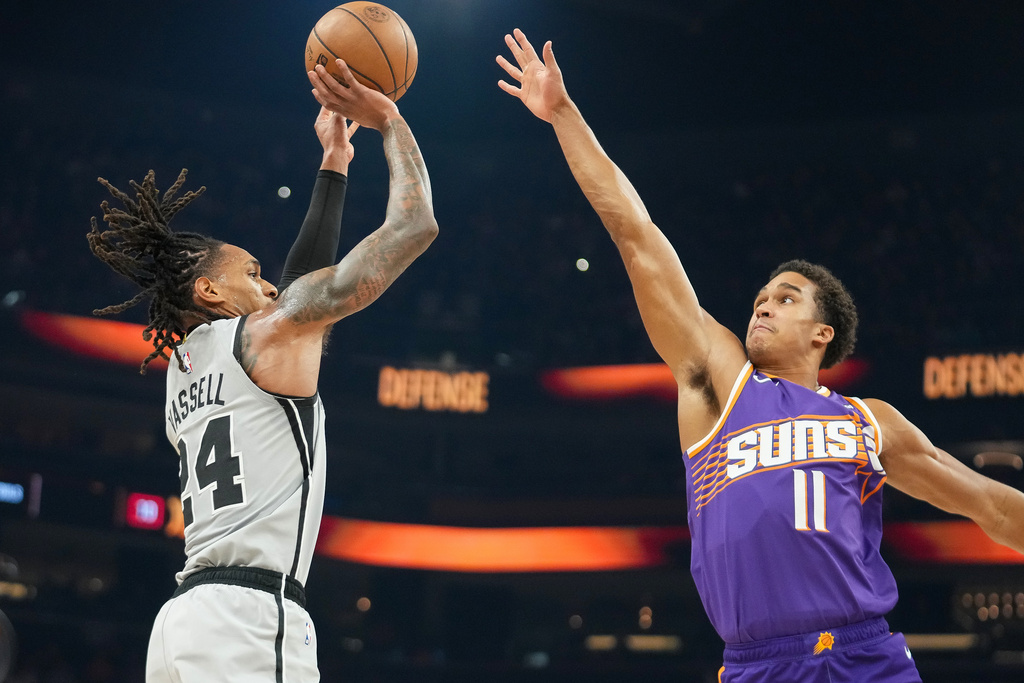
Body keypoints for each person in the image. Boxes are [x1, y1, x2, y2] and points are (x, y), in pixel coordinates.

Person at [497, 28, 1024, 682]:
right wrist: (564, 115)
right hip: (759, 665)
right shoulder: (721, 382)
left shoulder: (870, 422)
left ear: (822, 332)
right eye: (759, 297)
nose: (762, 306)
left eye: (785, 297)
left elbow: (989, 505)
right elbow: (635, 234)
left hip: (867, 656)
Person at [88, 58, 437, 682]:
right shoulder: (263, 340)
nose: (268, 282)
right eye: (250, 273)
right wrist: (388, 120)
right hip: (249, 621)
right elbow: (414, 225)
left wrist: (334, 165)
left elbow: (297, 295)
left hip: (179, 626)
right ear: (210, 292)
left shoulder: (185, 369)